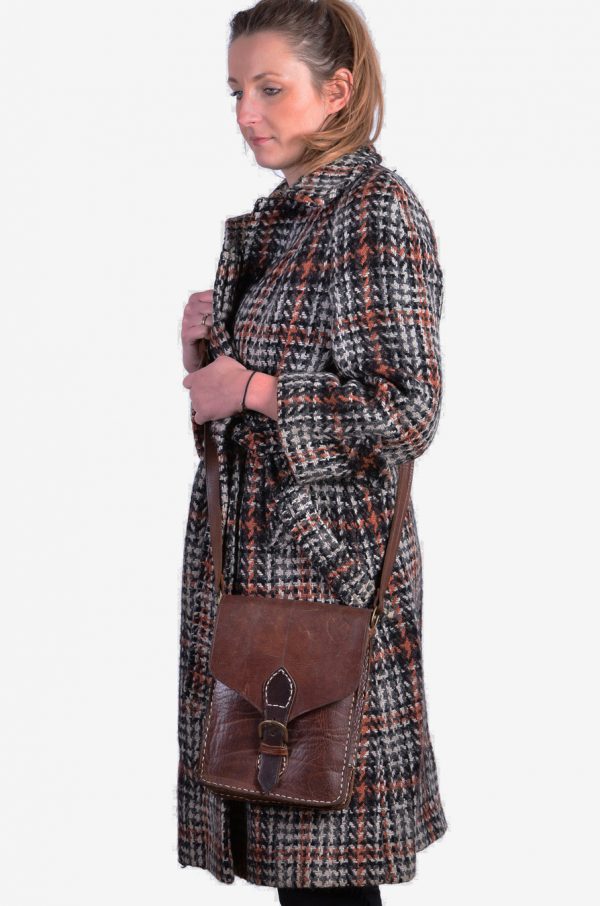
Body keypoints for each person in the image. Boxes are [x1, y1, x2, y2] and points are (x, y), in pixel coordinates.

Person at [178, 1, 448, 902]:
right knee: (305, 871)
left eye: (270, 88)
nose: (246, 113)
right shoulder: (291, 218)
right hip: (265, 581)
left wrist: (253, 388)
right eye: (235, 92)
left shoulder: (373, 213)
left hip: (322, 586)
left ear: (337, 92)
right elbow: (265, 408)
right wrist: (210, 358)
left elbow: (407, 410)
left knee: (328, 873)